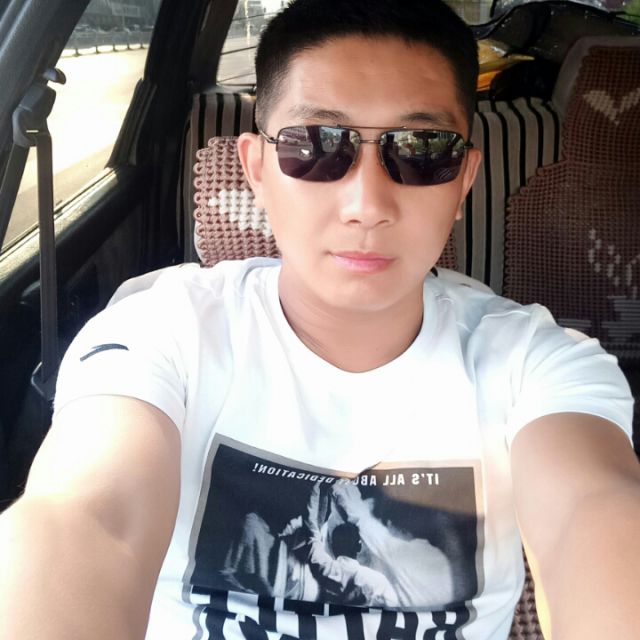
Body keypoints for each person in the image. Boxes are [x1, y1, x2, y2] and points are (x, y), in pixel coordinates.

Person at [0, 0, 638, 638]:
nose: (366, 204)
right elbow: (86, 518)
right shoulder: (163, 331)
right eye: (315, 145)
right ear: (257, 169)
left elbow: (592, 512)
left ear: (464, 178)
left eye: (422, 149)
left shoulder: (537, 363)